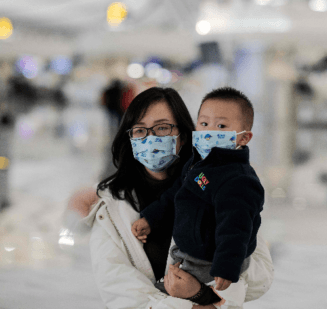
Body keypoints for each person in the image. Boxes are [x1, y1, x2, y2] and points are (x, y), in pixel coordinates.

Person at [71, 87, 273, 309]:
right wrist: (199, 303)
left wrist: (202, 292)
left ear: (183, 135)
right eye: (139, 130)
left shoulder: (221, 182)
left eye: (162, 127)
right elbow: (124, 295)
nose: (151, 138)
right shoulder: (111, 208)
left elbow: (259, 275)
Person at [131, 87, 263, 307]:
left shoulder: (238, 180)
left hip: (210, 261)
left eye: (221, 126)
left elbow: (236, 227)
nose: (209, 131)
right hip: (192, 252)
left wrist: (226, 266)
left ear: (244, 137)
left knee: (169, 296)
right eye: (204, 124)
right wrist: (150, 218)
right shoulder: (198, 163)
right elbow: (176, 194)